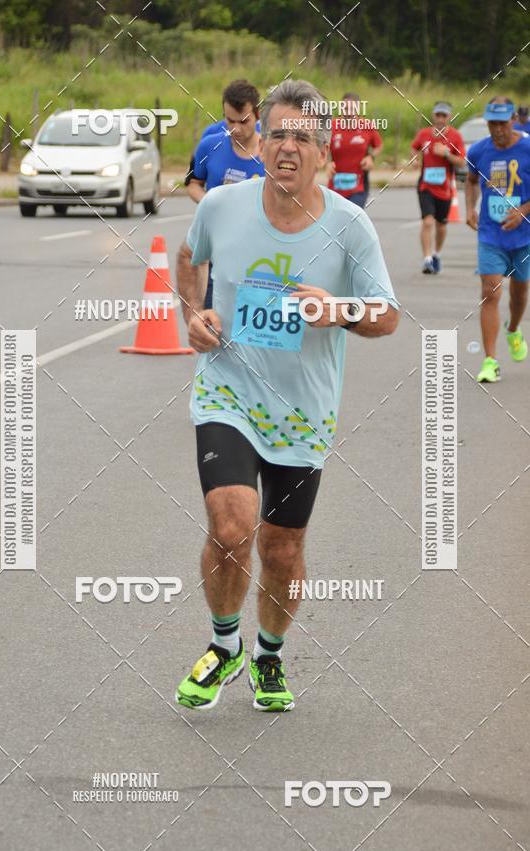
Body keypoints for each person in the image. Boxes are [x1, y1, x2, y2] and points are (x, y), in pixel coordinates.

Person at [175, 78, 399, 712]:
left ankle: (268, 654)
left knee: (281, 547)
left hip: (304, 411)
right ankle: (224, 647)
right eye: (278, 134)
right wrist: (193, 313)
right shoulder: (222, 206)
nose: (288, 147)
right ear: (259, 141)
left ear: (323, 150)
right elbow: (190, 255)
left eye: (303, 136)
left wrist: (339, 309)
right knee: (231, 524)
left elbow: (386, 316)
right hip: (229, 389)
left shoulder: (350, 227)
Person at [465, 96, 530, 383]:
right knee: (490, 291)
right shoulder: (479, 151)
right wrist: (470, 207)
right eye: (492, 123)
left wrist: (523, 210)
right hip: (491, 233)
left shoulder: (528, 147)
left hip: (524, 235)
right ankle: (490, 361)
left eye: (502, 123)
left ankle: (514, 329)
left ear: (513, 120)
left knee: (520, 293)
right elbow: (469, 181)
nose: (497, 129)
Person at [185, 80, 265, 310]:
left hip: (259, 254)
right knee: (213, 321)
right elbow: (193, 184)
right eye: (230, 121)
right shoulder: (209, 145)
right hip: (217, 253)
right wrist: (211, 202)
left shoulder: (272, 150)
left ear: (258, 115)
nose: (236, 129)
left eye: (244, 121)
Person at [412, 102, 465, 274]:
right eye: (438, 115)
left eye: (444, 115)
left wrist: (447, 154)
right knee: (427, 222)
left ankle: (436, 253)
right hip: (425, 186)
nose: (441, 118)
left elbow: (462, 162)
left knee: (441, 226)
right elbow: (414, 148)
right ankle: (427, 259)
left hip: (445, 190)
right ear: (433, 116)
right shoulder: (424, 134)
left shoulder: (455, 137)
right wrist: (415, 159)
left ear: (449, 117)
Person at [327, 91, 382, 208]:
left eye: (352, 109)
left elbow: (378, 146)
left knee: (351, 218)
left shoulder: (367, 126)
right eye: (345, 108)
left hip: (359, 186)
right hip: (335, 186)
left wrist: (370, 157)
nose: (348, 113)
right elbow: (320, 147)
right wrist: (327, 163)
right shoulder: (332, 127)